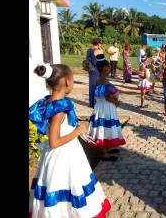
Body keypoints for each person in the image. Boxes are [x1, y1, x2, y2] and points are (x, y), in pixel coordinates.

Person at [29, 63, 111, 217]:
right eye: (73, 79)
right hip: (62, 155)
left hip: (59, 154)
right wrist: (78, 131)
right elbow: (54, 141)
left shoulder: (48, 102)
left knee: (60, 186)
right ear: (67, 81)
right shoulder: (59, 109)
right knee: (68, 184)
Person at [88, 54, 126, 161]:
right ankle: (104, 154)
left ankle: (106, 148)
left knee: (104, 126)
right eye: (109, 67)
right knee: (104, 127)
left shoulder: (99, 79)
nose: (110, 69)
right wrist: (117, 102)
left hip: (101, 106)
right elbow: (107, 97)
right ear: (104, 69)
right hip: (105, 107)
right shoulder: (104, 81)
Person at [86, 38, 103, 108]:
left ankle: (91, 103)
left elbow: (87, 60)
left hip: (91, 70)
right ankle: (96, 103)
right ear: (98, 44)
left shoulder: (89, 50)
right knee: (97, 87)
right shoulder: (98, 51)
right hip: (97, 70)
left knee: (91, 86)